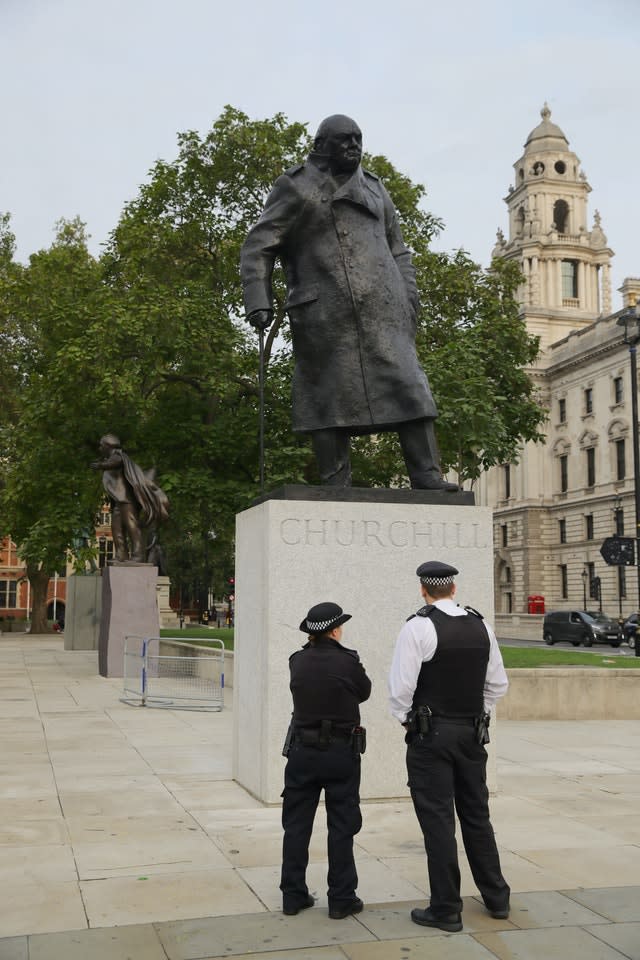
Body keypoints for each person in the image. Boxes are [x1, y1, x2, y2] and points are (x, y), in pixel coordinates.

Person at [240, 114, 457, 492]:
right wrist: (258, 298)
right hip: (324, 313)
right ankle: (334, 481)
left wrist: (409, 299)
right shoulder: (294, 187)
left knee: (409, 386)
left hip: (384, 311)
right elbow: (259, 245)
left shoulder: (375, 188)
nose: (354, 146)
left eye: (358, 139)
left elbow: (398, 249)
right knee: (327, 396)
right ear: (322, 145)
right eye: (345, 140)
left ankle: (426, 474)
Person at [388, 561, 510, 932]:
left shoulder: (418, 627)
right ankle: (497, 898)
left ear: (423, 589)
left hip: (432, 735)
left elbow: (400, 692)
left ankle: (445, 908)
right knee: (477, 815)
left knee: (438, 821)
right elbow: (497, 685)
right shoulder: (481, 626)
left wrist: (412, 723)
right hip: (472, 734)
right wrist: (478, 713)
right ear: (453, 589)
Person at [280, 602, 371, 919]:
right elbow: (365, 692)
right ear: (335, 630)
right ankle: (341, 898)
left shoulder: (297, 661)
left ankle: (292, 895)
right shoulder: (347, 661)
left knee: (296, 826)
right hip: (339, 752)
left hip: (302, 753)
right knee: (342, 826)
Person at [91, 434, 169, 563]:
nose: (100, 448)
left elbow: (115, 462)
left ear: (108, 446)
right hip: (119, 501)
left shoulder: (119, 456)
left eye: (101, 445)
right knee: (116, 528)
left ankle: (138, 556)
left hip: (127, 501)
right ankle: (121, 554)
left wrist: (100, 465)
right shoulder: (113, 457)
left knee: (132, 526)